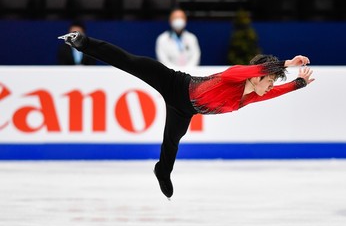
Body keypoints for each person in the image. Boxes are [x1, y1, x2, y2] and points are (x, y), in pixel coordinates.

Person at [58, 32, 314, 199]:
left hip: (185, 108)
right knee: (131, 62)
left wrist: (298, 83)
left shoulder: (253, 95)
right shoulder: (235, 74)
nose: (270, 86)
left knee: (172, 141)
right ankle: (83, 43)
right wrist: (286, 64)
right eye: (268, 80)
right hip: (174, 83)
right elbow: (246, 71)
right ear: (256, 75)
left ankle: (162, 171)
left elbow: (276, 92)